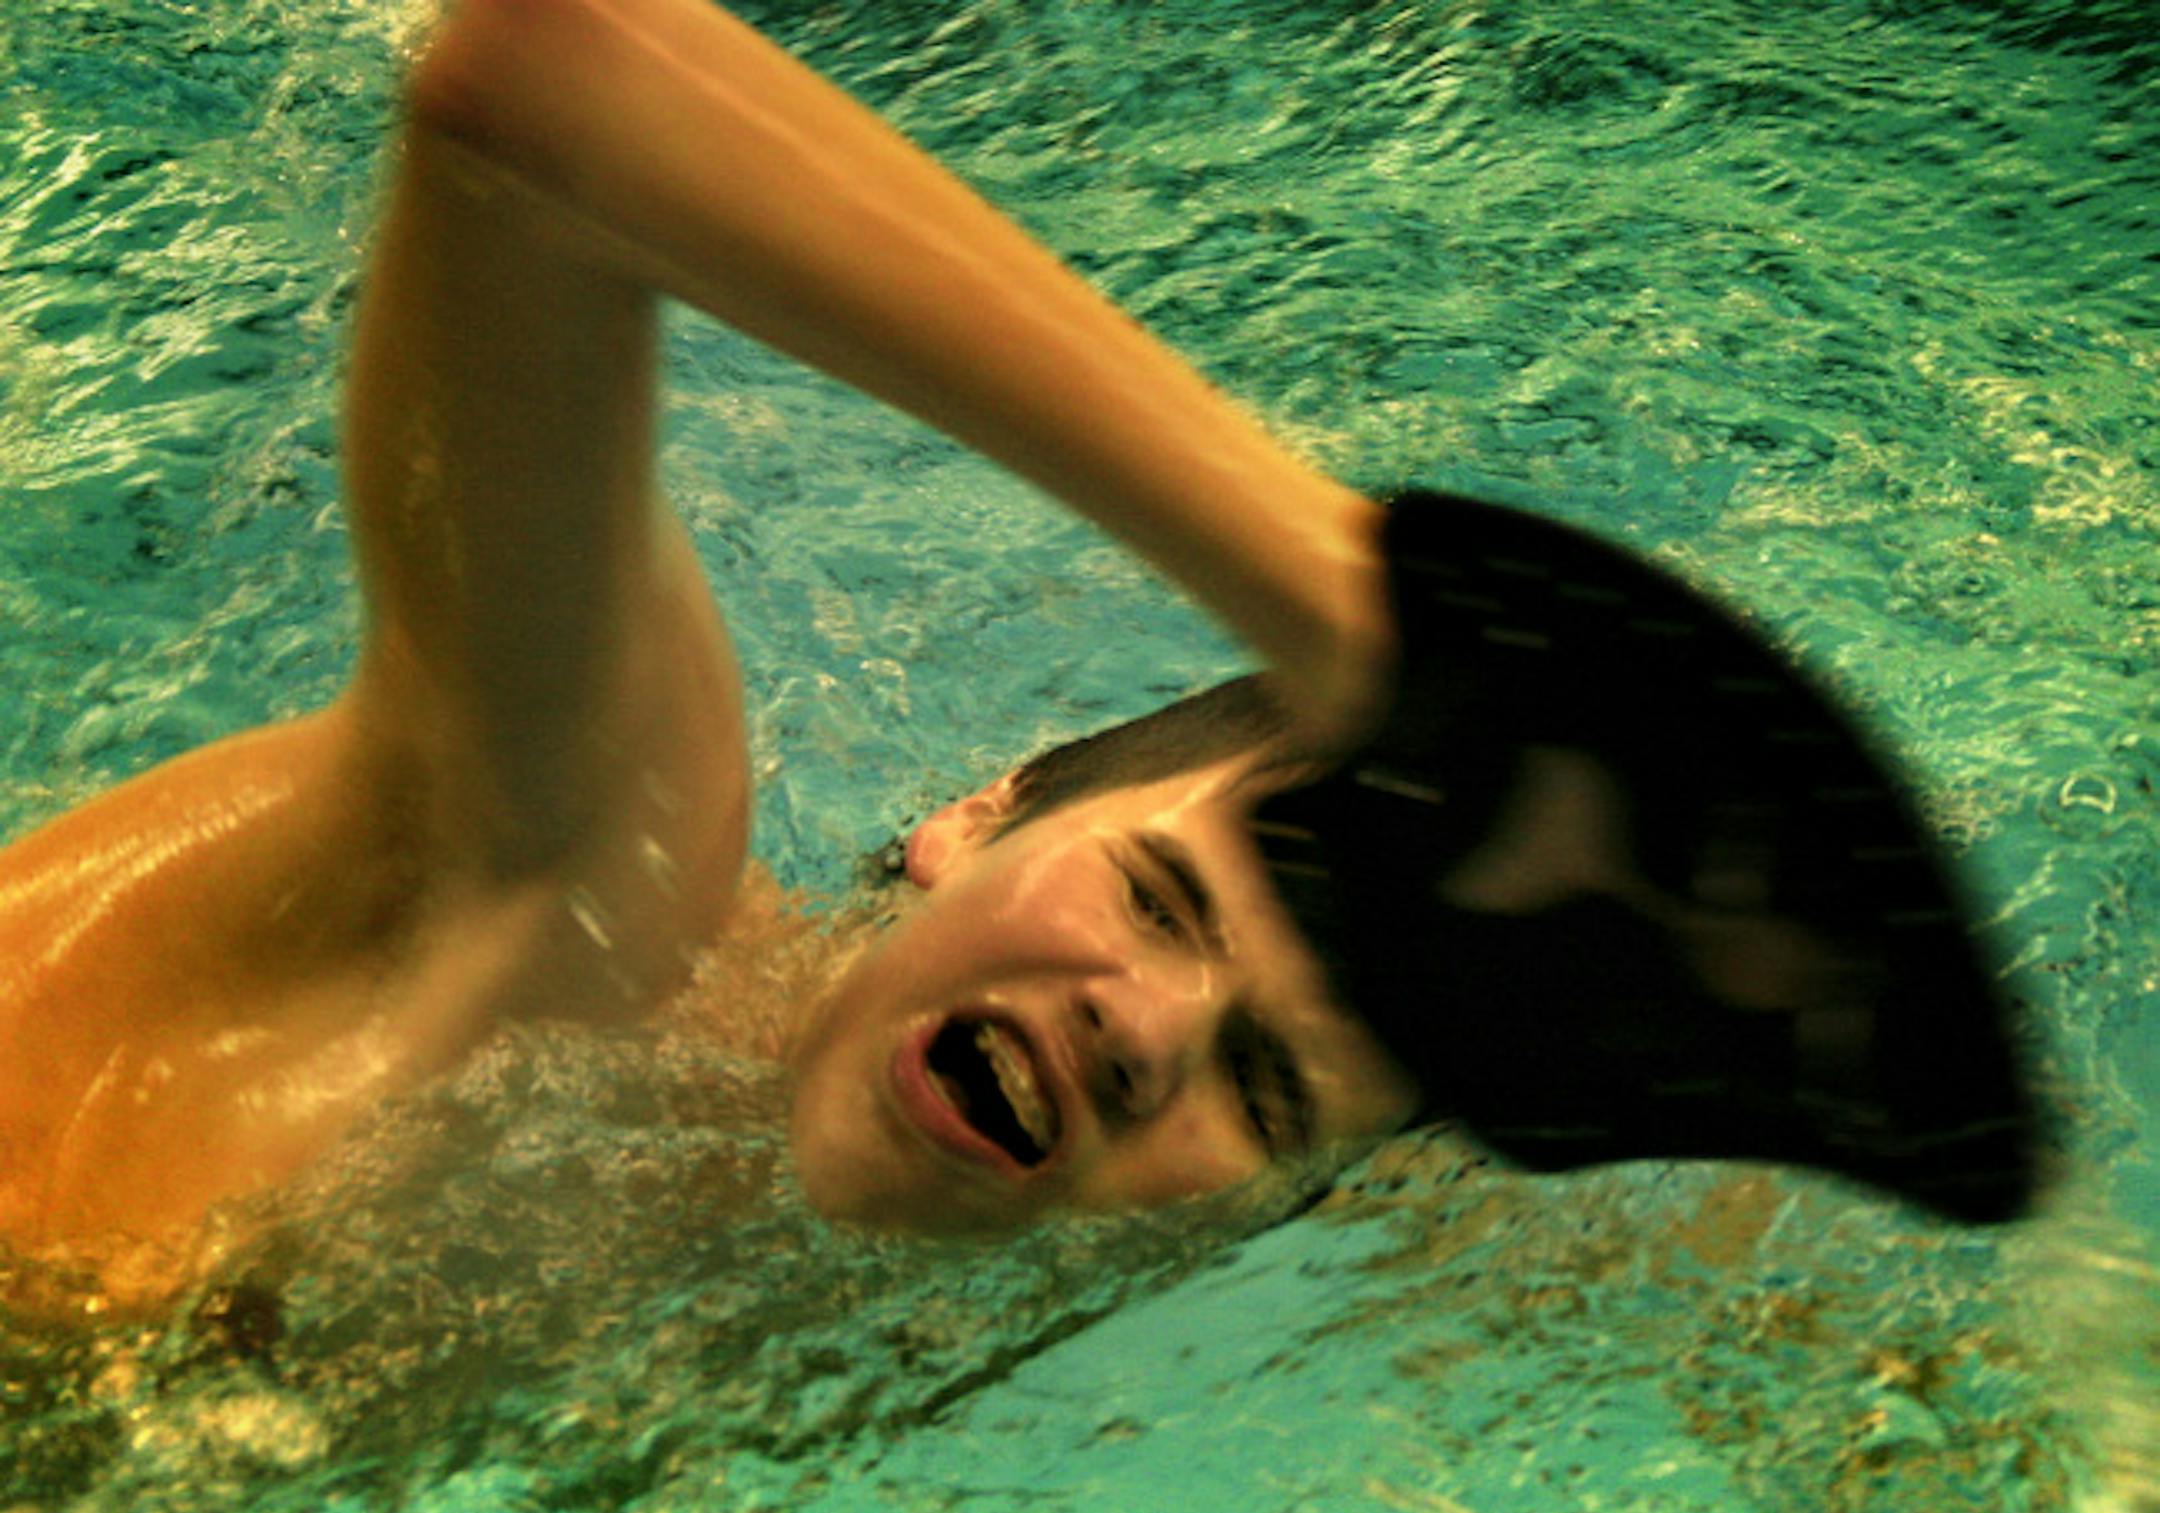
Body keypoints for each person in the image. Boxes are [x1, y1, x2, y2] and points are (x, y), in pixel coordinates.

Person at [0, 0, 1423, 1275]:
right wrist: (1323, 587)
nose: (1149, 1033)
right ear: (980, 817)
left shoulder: (825, 1280)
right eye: (1156, 897)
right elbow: (548, 82)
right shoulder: (598, 875)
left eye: (1264, 1084)